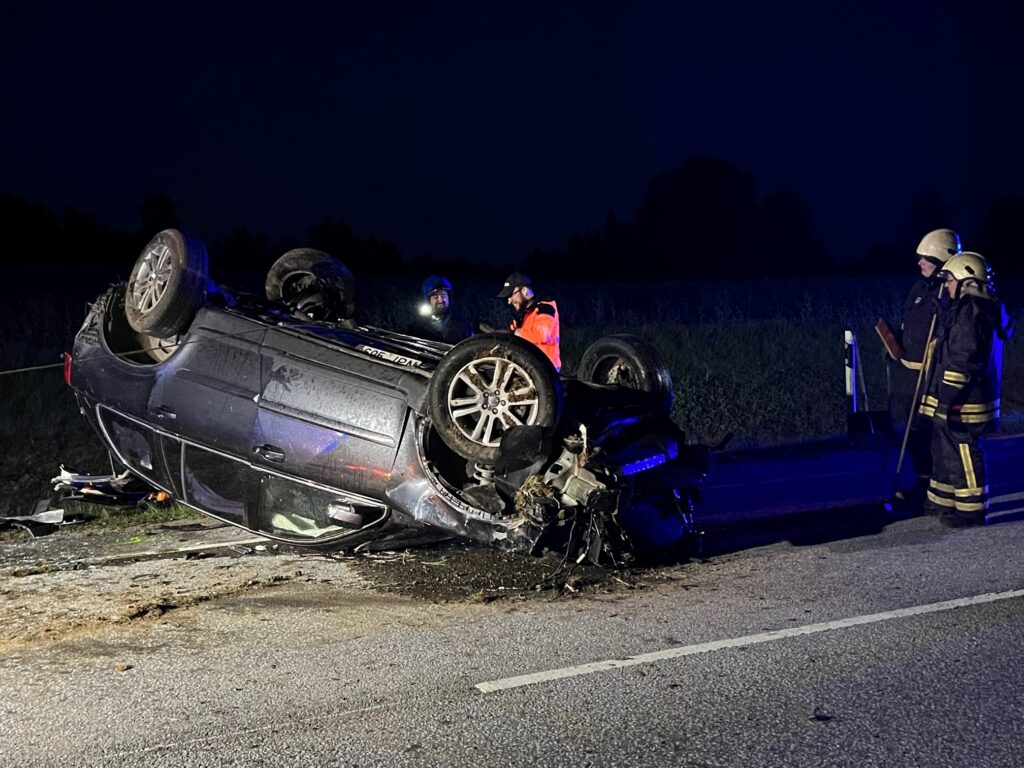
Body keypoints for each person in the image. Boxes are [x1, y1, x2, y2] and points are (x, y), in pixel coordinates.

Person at [918, 252, 1013, 527]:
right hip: (964, 397)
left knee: (963, 448)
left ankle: (971, 509)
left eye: (950, 280)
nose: (947, 285)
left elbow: (963, 358)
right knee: (945, 448)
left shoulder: (971, 311)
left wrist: (947, 400)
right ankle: (942, 500)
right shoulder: (974, 308)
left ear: (966, 280)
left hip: (965, 400)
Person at [890, 228, 961, 503]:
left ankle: (936, 489)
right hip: (911, 374)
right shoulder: (919, 287)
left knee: (932, 435)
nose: (919, 263)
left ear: (942, 261)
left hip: (933, 377)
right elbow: (910, 322)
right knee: (914, 435)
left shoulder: (950, 292)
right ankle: (921, 485)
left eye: (926, 259)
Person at [497, 272, 561, 371]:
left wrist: (517, 332)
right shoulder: (526, 313)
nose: (509, 301)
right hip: (532, 364)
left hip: (546, 367)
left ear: (525, 291)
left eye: (511, 295)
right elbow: (512, 332)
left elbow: (542, 335)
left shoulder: (545, 307)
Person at [406, 274, 473, 343]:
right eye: (435, 297)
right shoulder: (417, 328)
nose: (440, 300)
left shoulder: (463, 324)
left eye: (443, 295)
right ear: (428, 300)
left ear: (449, 298)